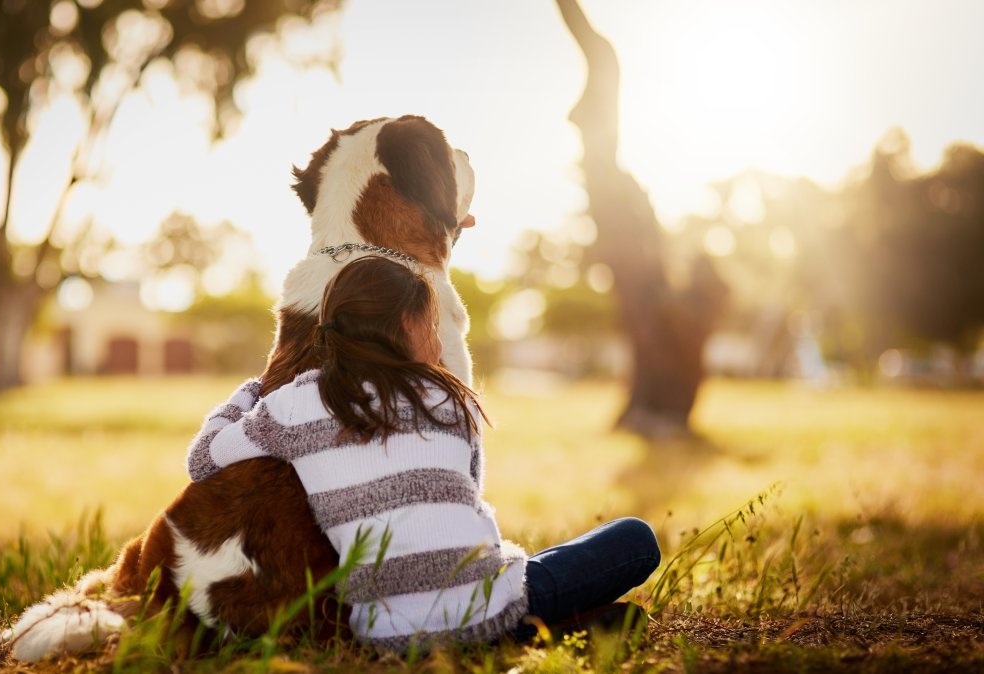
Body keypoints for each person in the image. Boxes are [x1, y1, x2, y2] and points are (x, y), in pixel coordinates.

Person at [186, 256, 660, 651]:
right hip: (487, 609)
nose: (437, 346)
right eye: (433, 326)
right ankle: (533, 629)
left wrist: (252, 393)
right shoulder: (447, 396)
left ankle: (551, 629)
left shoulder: (294, 404)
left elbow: (203, 458)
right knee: (635, 538)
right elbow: (467, 503)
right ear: (405, 324)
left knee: (515, 579)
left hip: (384, 636)